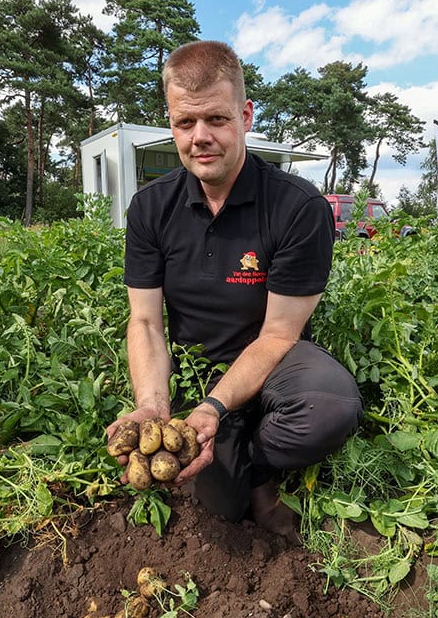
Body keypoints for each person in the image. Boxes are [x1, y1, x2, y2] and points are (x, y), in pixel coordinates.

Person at [106, 40, 363, 537]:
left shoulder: (296, 208)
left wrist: (215, 409)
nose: (200, 137)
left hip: (273, 363)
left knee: (330, 406)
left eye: (217, 120)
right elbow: (144, 321)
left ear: (245, 116)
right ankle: (231, 462)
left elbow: (279, 335)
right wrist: (154, 405)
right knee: (221, 506)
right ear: (172, 123)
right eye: (185, 123)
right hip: (196, 368)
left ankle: (261, 470)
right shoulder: (150, 208)